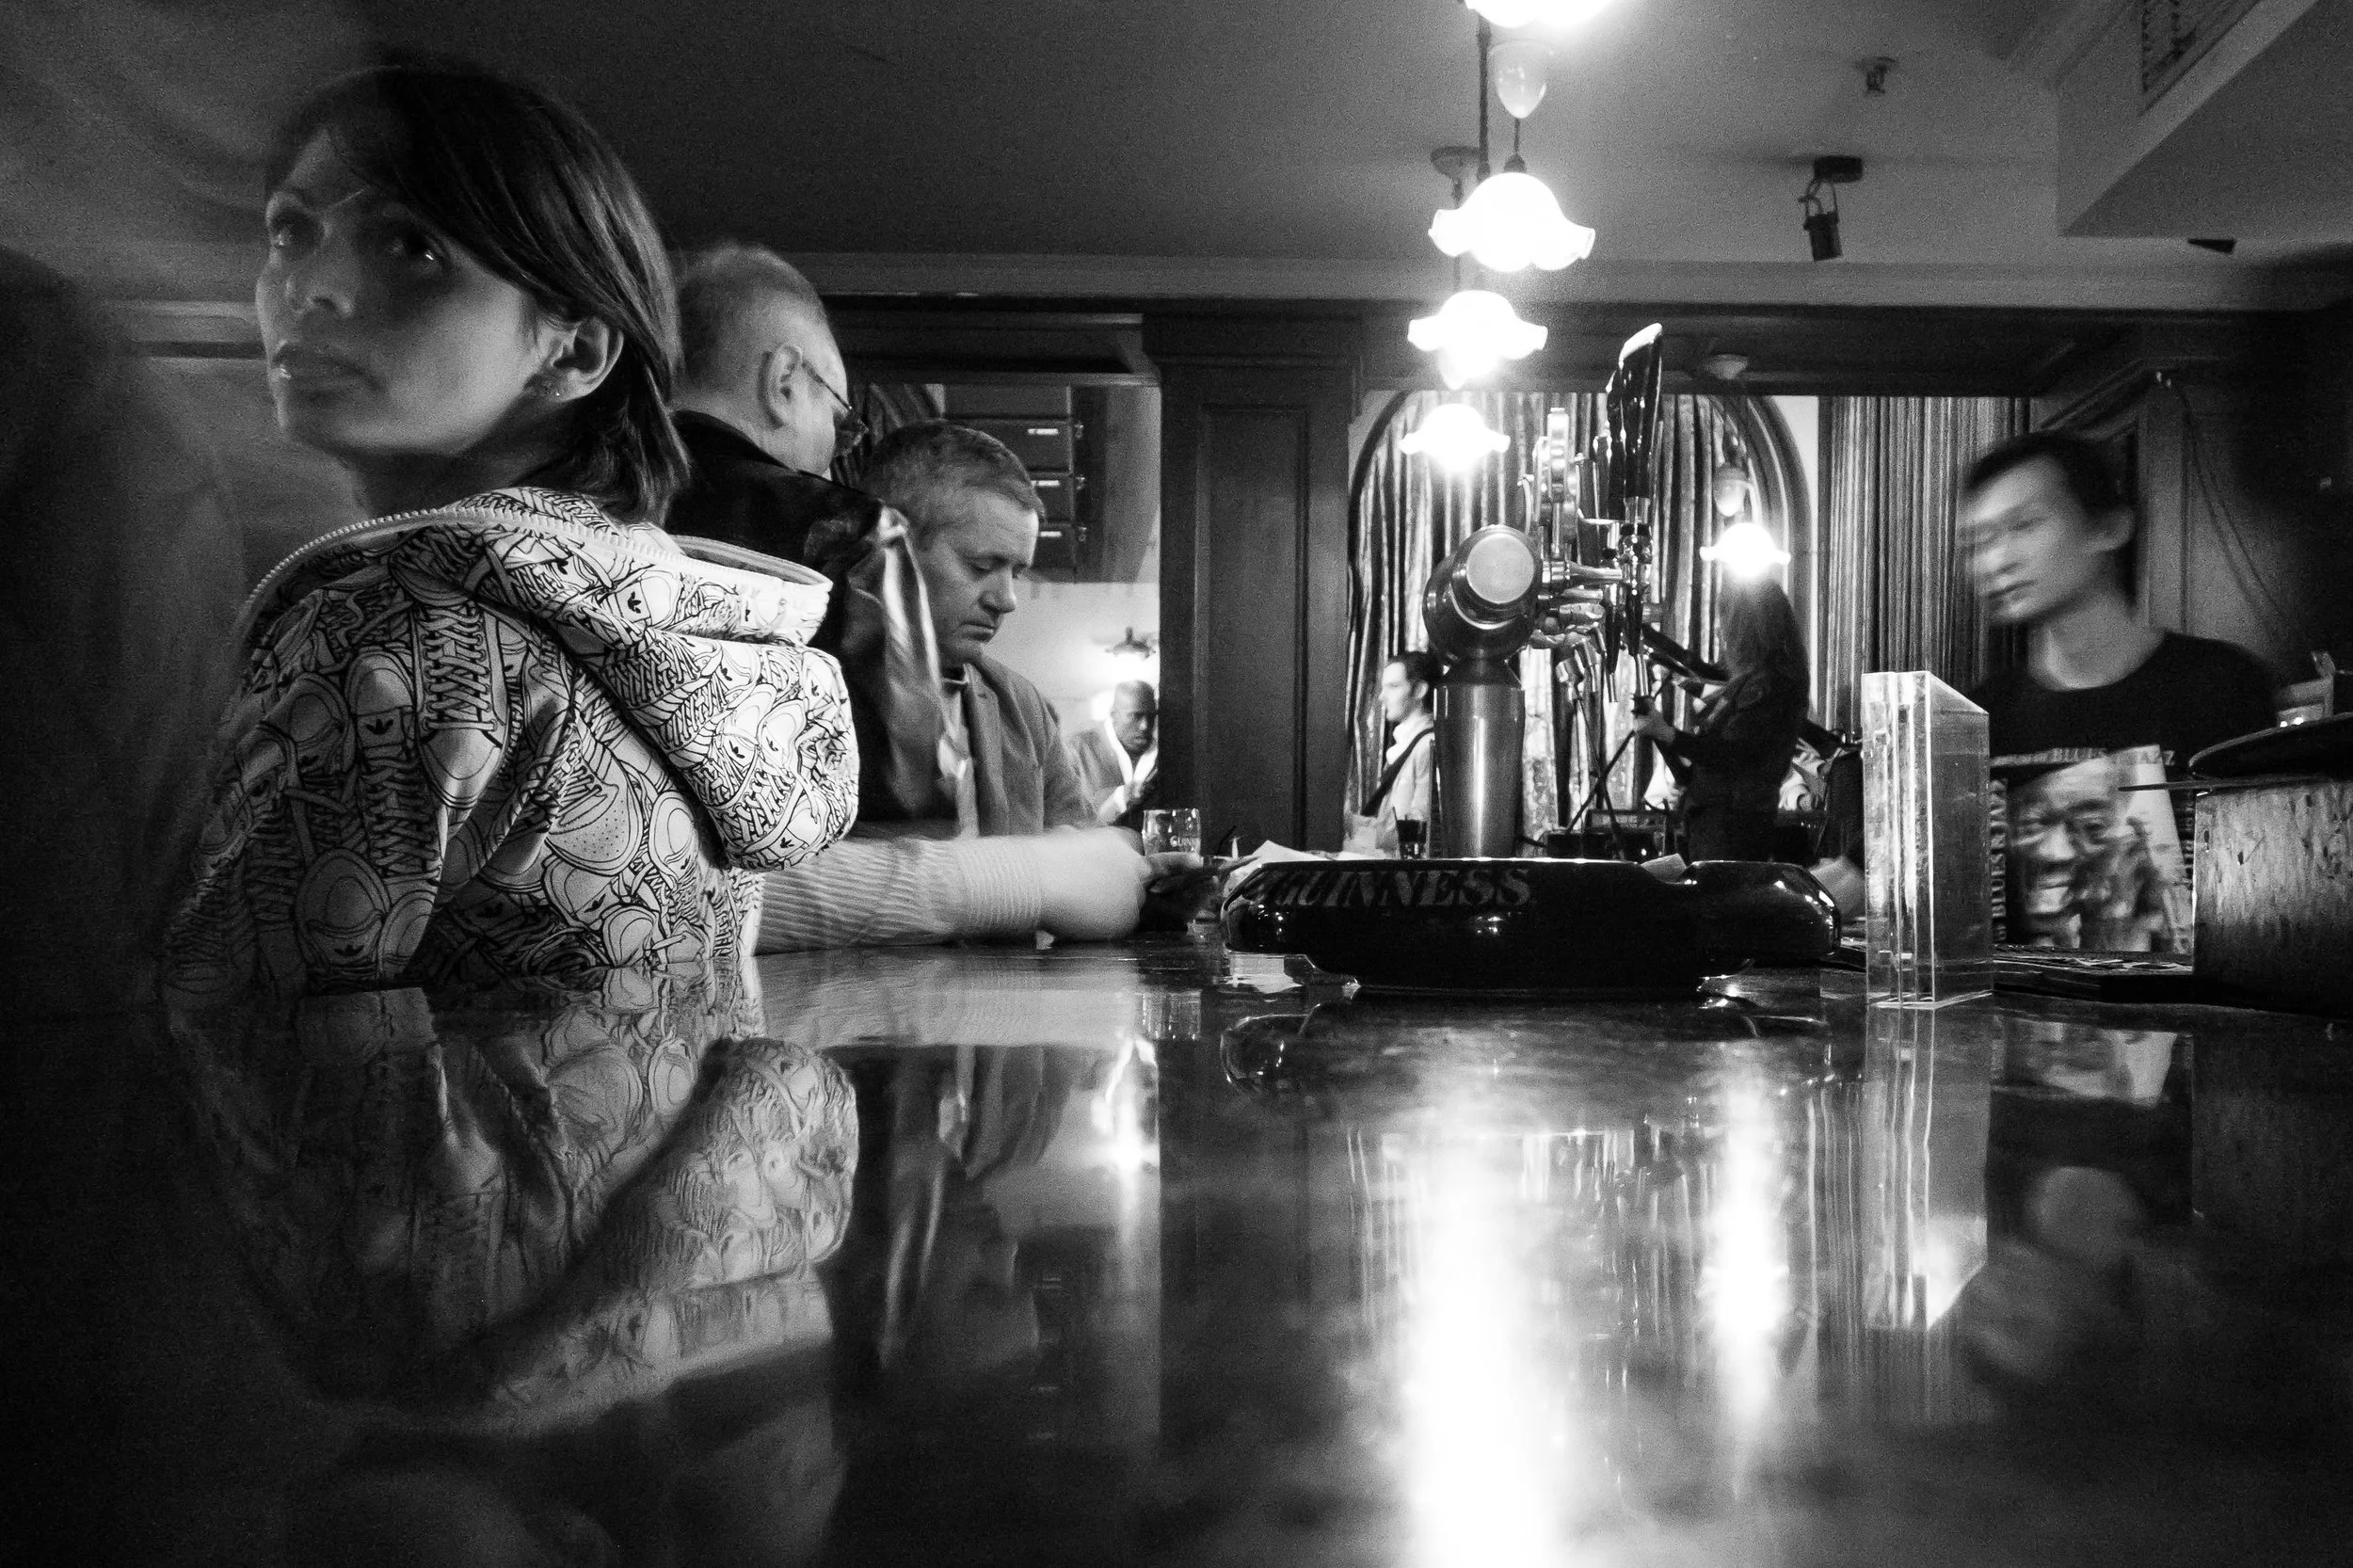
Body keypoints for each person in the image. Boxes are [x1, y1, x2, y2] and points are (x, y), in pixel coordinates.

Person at [162, 61, 857, 1022]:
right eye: (292, 231)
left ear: (572, 350)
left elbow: (210, 1050)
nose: (309, 287)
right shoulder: (660, 622)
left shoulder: (392, 635)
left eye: (411, 245)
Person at [755, 422, 1186, 950]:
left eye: (1017, 572)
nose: (1007, 600)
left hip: (999, 1018)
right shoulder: (790, 683)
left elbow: (1076, 853)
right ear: (892, 547)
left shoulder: (1023, 705)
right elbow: (741, 895)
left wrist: (1138, 885)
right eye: (983, 566)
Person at [666, 241, 955, 826]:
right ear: (784, 381)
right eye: (840, 422)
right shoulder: (854, 532)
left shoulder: (566, 510)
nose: (835, 454)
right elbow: (904, 796)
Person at [1960, 432, 2275, 948]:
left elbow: (2279, 877)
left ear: (2109, 526)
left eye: (2024, 525)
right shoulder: (1975, 717)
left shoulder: (2219, 684)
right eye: (1978, 542)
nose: (1996, 562)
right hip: (2018, 1018)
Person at [1631, 579, 1810, 861]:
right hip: (1717, 823)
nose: (1721, 633)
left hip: (1733, 828)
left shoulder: (1770, 685)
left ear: (1748, 629)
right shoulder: (1752, 682)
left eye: (1728, 623)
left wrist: (1666, 733)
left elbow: (1731, 754)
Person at [1344, 650, 1437, 855]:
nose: (1381, 697)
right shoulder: (1405, 745)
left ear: (1419, 690)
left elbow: (1416, 832)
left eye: (1393, 687)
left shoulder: (1427, 746)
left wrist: (1350, 827)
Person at [1067, 680, 1160, 829]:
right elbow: (1063, 821)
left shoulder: (1168, 756)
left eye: (1151, 716)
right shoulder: (1076, 751)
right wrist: (1118, 798)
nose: (1145, 726)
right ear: (1113, 714)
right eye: (1135, 716)